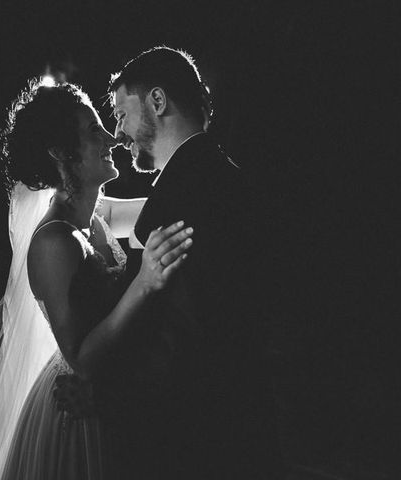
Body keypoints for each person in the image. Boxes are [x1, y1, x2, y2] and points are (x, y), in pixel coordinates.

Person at [0, 78, 194, 480]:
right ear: (61, 154)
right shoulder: (54, 242)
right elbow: (80, 360)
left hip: (112, 397)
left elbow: (173, 203)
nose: (111, 138)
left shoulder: (97, 218)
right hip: (76, 413)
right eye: (92, 131)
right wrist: (143, 282)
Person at [102, 46, 286, 479]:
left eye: (120, 113)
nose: (118, 131)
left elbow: (182, 340)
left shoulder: (180, 200)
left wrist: (107, 393)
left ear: (158, 101)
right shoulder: (225, 179)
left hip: (196, 443)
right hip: (245, 426)